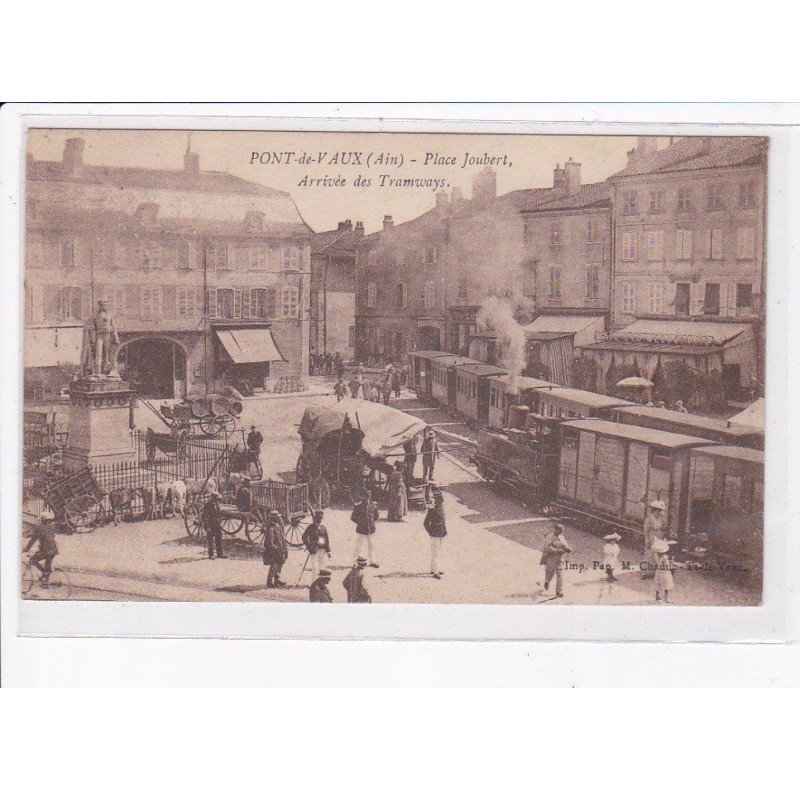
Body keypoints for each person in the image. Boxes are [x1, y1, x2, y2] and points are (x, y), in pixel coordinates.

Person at [22, 511, 60, 586]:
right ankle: (45, 580)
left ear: (42, 520)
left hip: (45, 550)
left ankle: (44, 575)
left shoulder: (38, 528)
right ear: (48, 520)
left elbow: (32, 540)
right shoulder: (52, 527)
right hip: (54, 550)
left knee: (33, 560)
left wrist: (26, 549)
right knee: (48, 564)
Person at [541, 523, 571, 597]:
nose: (561, 532)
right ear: (556, 529)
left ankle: (559, 591)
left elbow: (565, 545)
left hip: (559, 559)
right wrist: (558, 550)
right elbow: (547, 548)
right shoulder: (550, 537)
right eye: (560, 531)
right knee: (550, 574)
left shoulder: (561, 537)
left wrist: (567, 548)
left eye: (562, 531)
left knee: (560, 575)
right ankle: (547, 582)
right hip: (551, 558)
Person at [423, 488, 447, 579]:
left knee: (437, 552)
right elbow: (425, 523)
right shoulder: (432, 511)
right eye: (440, 501)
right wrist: (431, 531)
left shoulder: (441, 509)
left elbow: (443, 521)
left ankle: (434, 569)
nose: (441, 503)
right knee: (435, 553)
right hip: (435, 533)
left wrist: (444, 532)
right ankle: (435, 572)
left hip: (441, 533)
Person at [351, 489, 379, 567]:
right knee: (358, 545)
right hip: (361, 529)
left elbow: (376, 517)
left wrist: (371, 523)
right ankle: (354, 561)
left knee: (372, 545)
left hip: (371, 529)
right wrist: (360, 523)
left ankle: (373, 561)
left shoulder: (373, 506)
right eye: (365, 496)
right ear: (362, 497)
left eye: (368, 496)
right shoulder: (358, 506)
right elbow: (353, 517)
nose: (367, 498)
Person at [302, 510, 331, 580]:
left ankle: (321, 582)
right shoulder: (311, 527)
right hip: (314, 550)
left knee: (322, 567)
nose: (319, 520)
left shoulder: (323, 527)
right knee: (315, 568)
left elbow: (326, 539)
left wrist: (328, 551)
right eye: (317, 518)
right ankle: (314, 582)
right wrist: (309, 547)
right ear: (314, 519)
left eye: (320, 518)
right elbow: (304, 537)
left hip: (322, 550)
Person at [642, 499, 667, 580]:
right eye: (659, 511)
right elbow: (646, 531)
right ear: (655, 510)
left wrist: (664, 520)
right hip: (652, 537)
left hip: (660, 537)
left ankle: (655, 573)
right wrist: (647, 540)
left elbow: (664, 528)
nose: (660, 512)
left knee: (658, 554)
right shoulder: (649, 518)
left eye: (661, 511)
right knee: (650, 554)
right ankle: (646, 573)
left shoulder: (661, 518)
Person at [263, 509, 288, 588]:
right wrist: (277, 550)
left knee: (280, 565)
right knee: (274, 566)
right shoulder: (270, 528)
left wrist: (285, 548)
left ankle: (277, 580)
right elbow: (269, 543)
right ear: (274, 519)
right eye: (278, 518)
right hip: (274, 551)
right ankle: (269, 582)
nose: (279, 519)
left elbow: (282, 538)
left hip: (280, 549)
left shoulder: (277, 526)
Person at [201, 491, 226, 559]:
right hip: (210, 524)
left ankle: (219, 554)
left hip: (217, 524)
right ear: (212, 498)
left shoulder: (216, 504)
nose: (217, 500)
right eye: (215, 499)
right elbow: (204, 517)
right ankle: (211, 554)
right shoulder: (207, 505)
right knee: (210, 540)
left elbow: (218, 514)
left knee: (219, 538)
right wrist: (207, 527)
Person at [653, 539, 676, 603]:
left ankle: (657, 597)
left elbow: (658, 563)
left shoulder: (656, 555)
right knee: (666, 584)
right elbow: (667, 566)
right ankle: (666, 598)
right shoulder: (665, 557)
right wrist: (672, 564)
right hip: (665, 572)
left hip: (658, 571)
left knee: (658, 583)